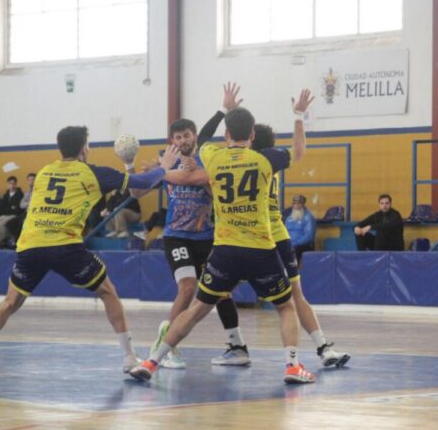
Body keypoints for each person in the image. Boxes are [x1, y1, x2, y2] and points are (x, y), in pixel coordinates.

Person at [129, 105, 317, 384]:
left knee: (195, 310)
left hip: (224, 250)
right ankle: (292, 367)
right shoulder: (265, 160)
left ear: (227, 133)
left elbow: (202, 138)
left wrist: (161, 169)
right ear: (252, 134)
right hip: (260, 250)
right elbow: (299, 152)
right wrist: (299, 117)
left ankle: (152, 361)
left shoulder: (213, 157)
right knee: (286, 306)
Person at [0, 125, 179, 374]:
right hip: (65, 246)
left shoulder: (45, 171)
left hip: (31, 244)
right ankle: (129, 357)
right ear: (84, 148)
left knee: (10, 301)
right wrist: (165, 168)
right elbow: (141, 184)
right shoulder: (92, 173)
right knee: (107, 291)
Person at [128, 82, 250, 369]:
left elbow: (216, 194)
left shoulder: (208, 159)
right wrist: (130, 167)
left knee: (221, 291)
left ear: (195, 137)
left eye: (186, 135)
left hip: (206, 236)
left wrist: (201, 178)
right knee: (187, 288)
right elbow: (135, 194)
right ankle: (166, 347)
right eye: (177, 136)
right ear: (172, 140)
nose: (182, 140)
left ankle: (237, 345)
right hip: (176, 237)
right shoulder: (166, 162)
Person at [252, 118, 351, 368]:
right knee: (295, 297)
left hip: (250, 237)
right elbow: (298, 152)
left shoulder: (243, 160)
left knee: (209, 298)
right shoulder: (270, 161)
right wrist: (298, 117)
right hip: (276, 234)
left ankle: (235, 345)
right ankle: (322, 348)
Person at [0, 176, 23, 247]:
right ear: (7, 184)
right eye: (10, 183)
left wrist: (10, 208)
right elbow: (2, 207)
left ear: (16, 184)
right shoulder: (5, 195)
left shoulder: (19, 194)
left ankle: (4, 242)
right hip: (4, 215)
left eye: (13, 184)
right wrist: (11, 207)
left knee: (1, 224)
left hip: (14, 215)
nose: (12, 185)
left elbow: (18, 208)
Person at [284, 194, 316, 263]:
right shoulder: (288, 218)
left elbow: (309, 236)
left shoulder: (308, 217)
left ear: (303, 205)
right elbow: (285, 231)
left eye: (299, 204)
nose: (297, 206)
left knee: (293, 250)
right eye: (295, 204)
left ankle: (294, 271)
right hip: (290, 244)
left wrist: (296, 243)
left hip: (303, 245)